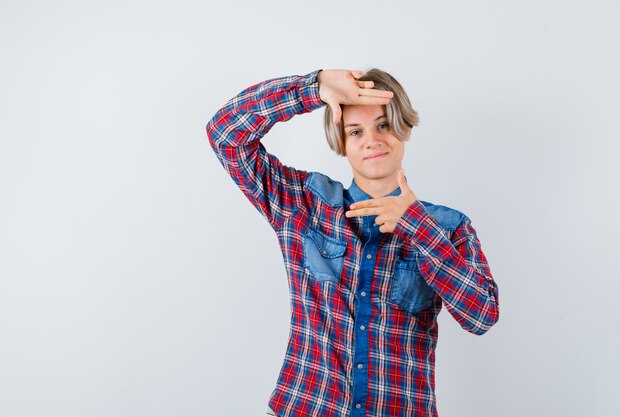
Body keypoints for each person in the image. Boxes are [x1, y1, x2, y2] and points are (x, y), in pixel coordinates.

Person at [206, 68, 500, 417]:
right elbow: (225, 135)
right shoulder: (302, 203)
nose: (372, 140)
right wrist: (312, 89)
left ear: (403, 128)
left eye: (384, 125)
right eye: (355, 131)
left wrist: (417, 226)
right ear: (341, 141)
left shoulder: (447, 227)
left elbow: (481, 315)